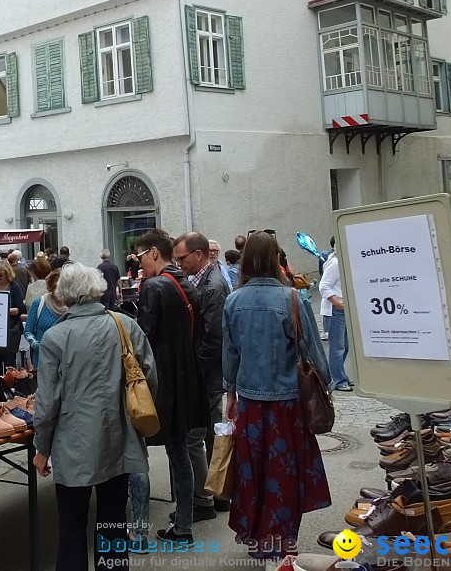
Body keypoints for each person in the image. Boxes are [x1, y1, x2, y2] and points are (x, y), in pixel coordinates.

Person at [32, 262, 156, 570]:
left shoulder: (54, 337)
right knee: (113, 521)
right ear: (97, 289)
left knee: (72, 525)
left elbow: (47, 403)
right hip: (120, 436)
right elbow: (149, 377)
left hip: (73, 442)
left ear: (63, 296)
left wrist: (41, 448)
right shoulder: (125, 325)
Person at [223, 232, 331, 560]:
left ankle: (257, 537)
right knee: (284, 472)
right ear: (274, 259)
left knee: (253, 470)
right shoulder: (292, 299)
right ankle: (285, 541)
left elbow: (230, 356)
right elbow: (312, 350)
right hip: (287, 402)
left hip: (251, 402)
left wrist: (230, 395)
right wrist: (325, 384)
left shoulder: (234, 301)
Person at [129, 229, 206, 543]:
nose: (139, 265)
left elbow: (143, 335)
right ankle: (184, 526)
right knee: (180, 453)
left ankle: (140, 531)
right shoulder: (187, 284)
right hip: (186, 378)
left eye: (140, 257)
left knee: (137, 453)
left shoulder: (154, 286)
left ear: (153, 253)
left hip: (159, 382)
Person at [172, 231, 230, 522]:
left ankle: (204, 500)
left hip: (207, 376)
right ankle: (218, 493)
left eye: (182, 258)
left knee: (194, 437)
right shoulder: (207, 281)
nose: (179, 264)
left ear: (199, 255)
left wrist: (194, 373)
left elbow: (213, 338)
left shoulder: (213, 286)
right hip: (209, 374)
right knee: (209, 433)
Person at [318, 239, 352, 391]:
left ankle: (339, 375)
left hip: (343, 308)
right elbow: (324, 285)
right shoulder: (336, 263)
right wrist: (336, 302)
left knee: (346, 345)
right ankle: (338, 380)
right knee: (337, 346)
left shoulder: (341, 262)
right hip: (336, 310)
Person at [0, 260, 26, 376]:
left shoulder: (14, 287)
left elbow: (20, 309)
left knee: (9, 365)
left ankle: (9, 390)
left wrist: (4, 310)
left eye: (0, 275)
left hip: (10, 331)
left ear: (7, 274)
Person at [24, 268, 66, 367]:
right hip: (42, 359)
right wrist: (37, 346)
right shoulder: (39, 303)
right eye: (56, 288)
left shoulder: (72, 305)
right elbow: (28, 331)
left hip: (66, 360)